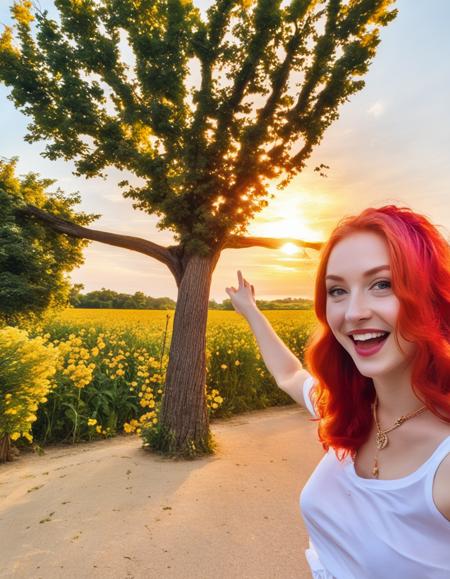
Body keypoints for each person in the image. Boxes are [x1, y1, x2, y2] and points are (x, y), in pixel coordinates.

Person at [225, 205, 450, 578]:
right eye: (337, 291)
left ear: (431, 298)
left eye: (382, 284)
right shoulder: (351, 411)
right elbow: (289, 375)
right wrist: (251, 311)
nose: (353, 312)